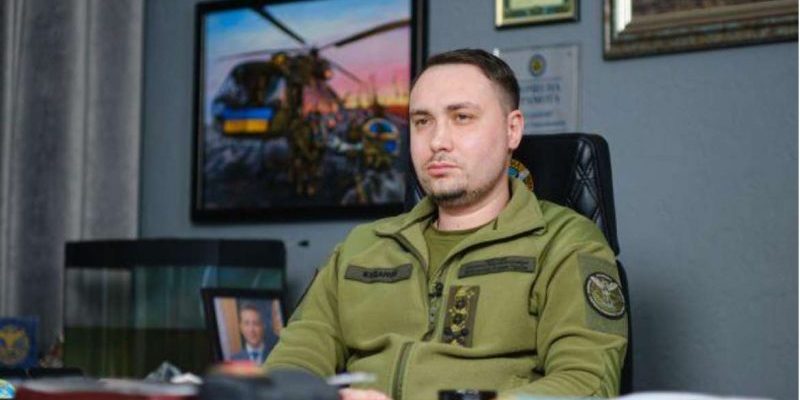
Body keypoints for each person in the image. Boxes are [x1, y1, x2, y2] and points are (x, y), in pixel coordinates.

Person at [265, 49, 628, 400]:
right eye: (422, 122)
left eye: (462, 117)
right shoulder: (362, 248)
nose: (437, 141)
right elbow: (291, 363)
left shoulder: (566, 244)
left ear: (512, 130)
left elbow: (587, 383)